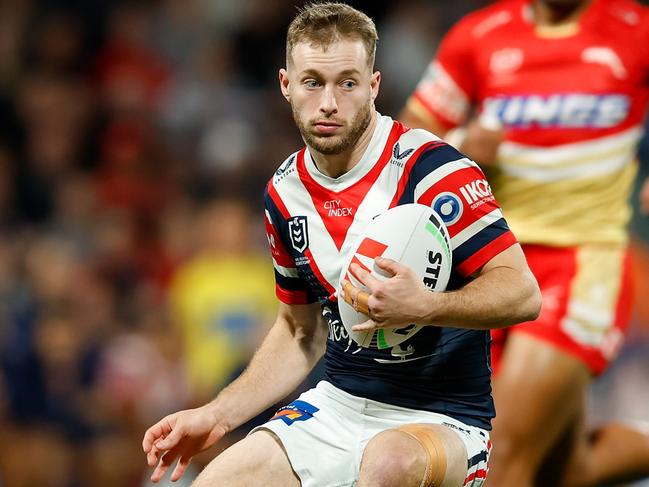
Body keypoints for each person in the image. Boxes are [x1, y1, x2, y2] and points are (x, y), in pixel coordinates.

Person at [142, 3, 541, 486]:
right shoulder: (283, 193)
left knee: (387, 467)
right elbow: (299, 332)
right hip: (338, 405)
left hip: (441, 417)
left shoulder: (434, 171)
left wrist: (428, 305)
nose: (329, 102)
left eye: (347, 83)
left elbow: (523, 293)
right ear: (286, 84)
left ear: (373, 86)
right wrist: (218, 414)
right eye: (313, 82)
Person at [400, 0, 649, 486]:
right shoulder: (479, 35)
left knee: (499, 457)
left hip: (583, 265)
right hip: (491, 270)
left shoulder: (634, 28)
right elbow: (406, 141)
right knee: (565, 470)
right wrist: (460, 142)